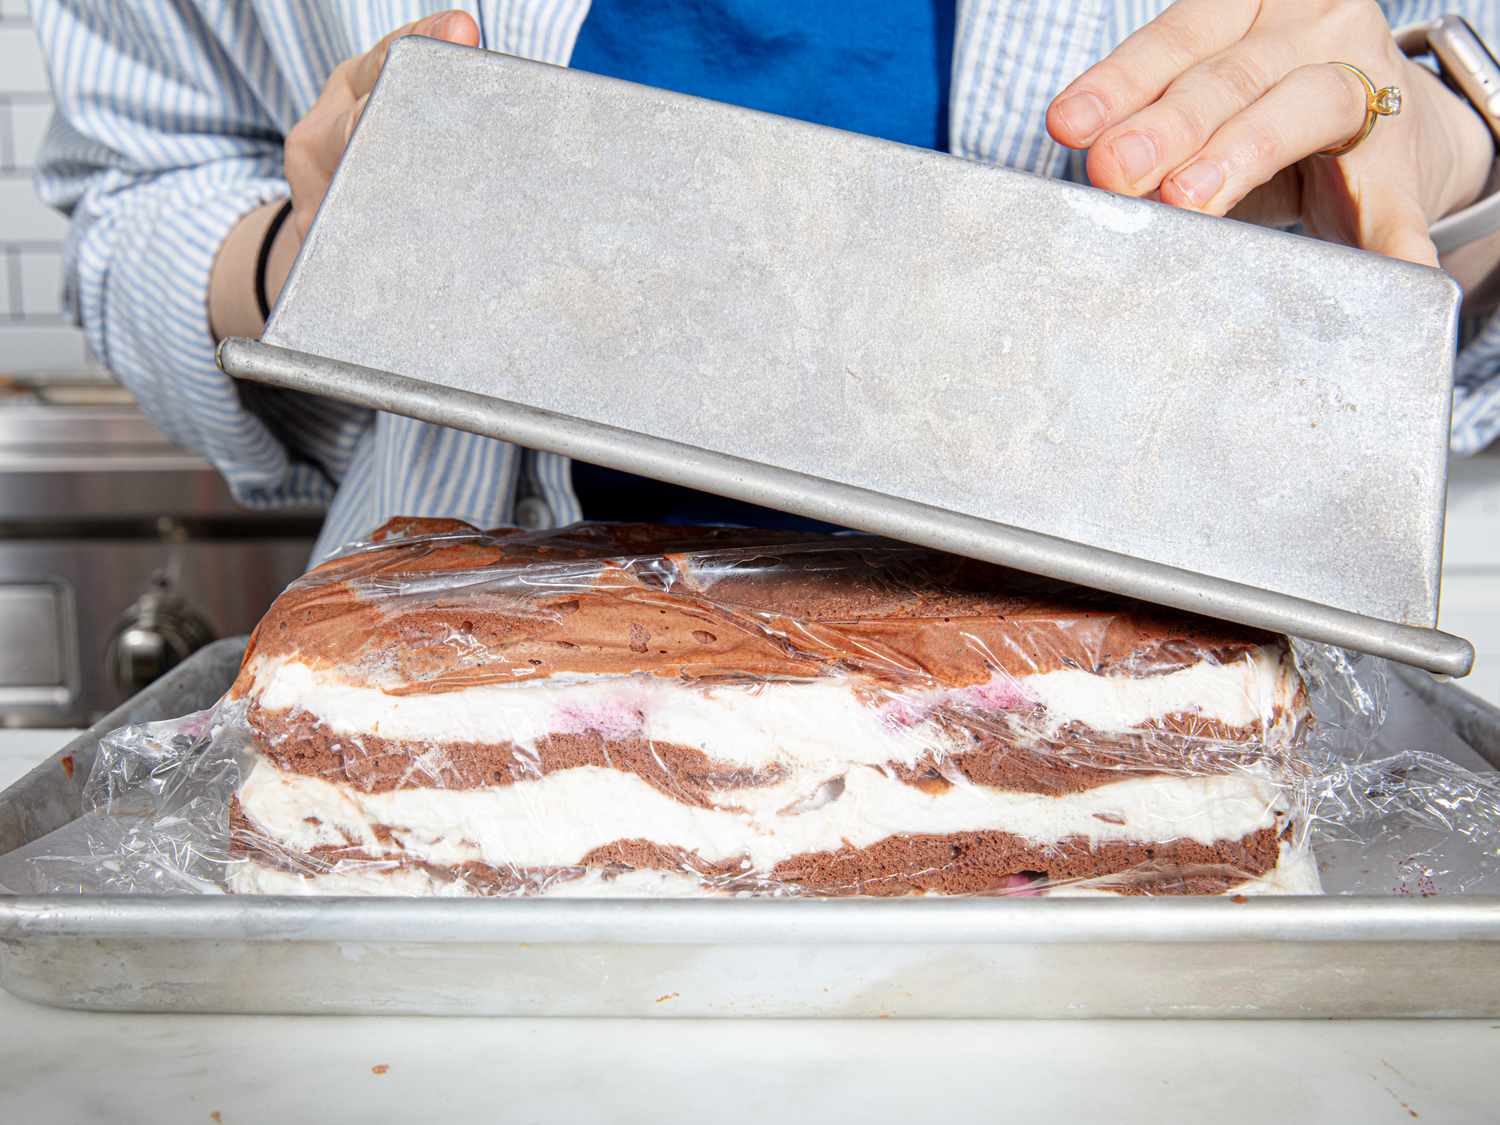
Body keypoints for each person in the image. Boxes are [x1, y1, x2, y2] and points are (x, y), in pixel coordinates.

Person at [32, 1, 1500, 559]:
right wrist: (319, 271)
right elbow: (134, 190)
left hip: (1115, 759)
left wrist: (1456, 130)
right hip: (468, 762)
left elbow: (1458, 143)